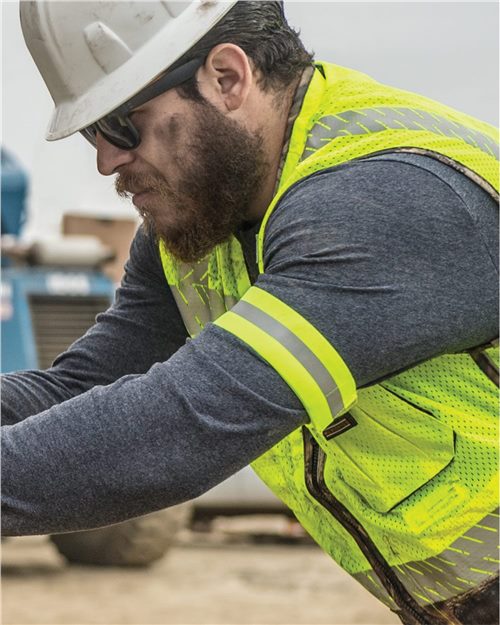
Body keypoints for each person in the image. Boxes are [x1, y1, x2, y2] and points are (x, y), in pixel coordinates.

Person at [2, 1, 498, 623]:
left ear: (228, 77)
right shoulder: (203, 223)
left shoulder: (390, 200)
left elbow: (184, 422)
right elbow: (79, 389)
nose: (106, 160)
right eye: (90, 133)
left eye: (122, 124)